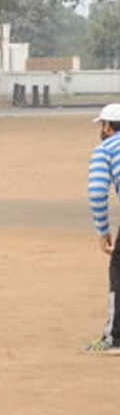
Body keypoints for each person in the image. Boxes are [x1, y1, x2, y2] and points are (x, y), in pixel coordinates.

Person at [85, 102, 120, 352]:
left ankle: (115, 337)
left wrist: (103, 231)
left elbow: (97, 193)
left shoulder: (105, 149)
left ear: (107, 127)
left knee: (118, 271)